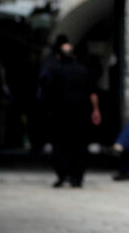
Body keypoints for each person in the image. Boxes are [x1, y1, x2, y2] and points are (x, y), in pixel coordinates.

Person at [38, 39, 101, 187]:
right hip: (80, 114)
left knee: (60, 145)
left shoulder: (55, 71)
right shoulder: (82, 71)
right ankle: (76, 177)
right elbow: (92, 93)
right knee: (79, 146)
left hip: (60, 114)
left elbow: (47, 93)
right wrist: (96, 110)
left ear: (59, 56)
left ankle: (63, 174)